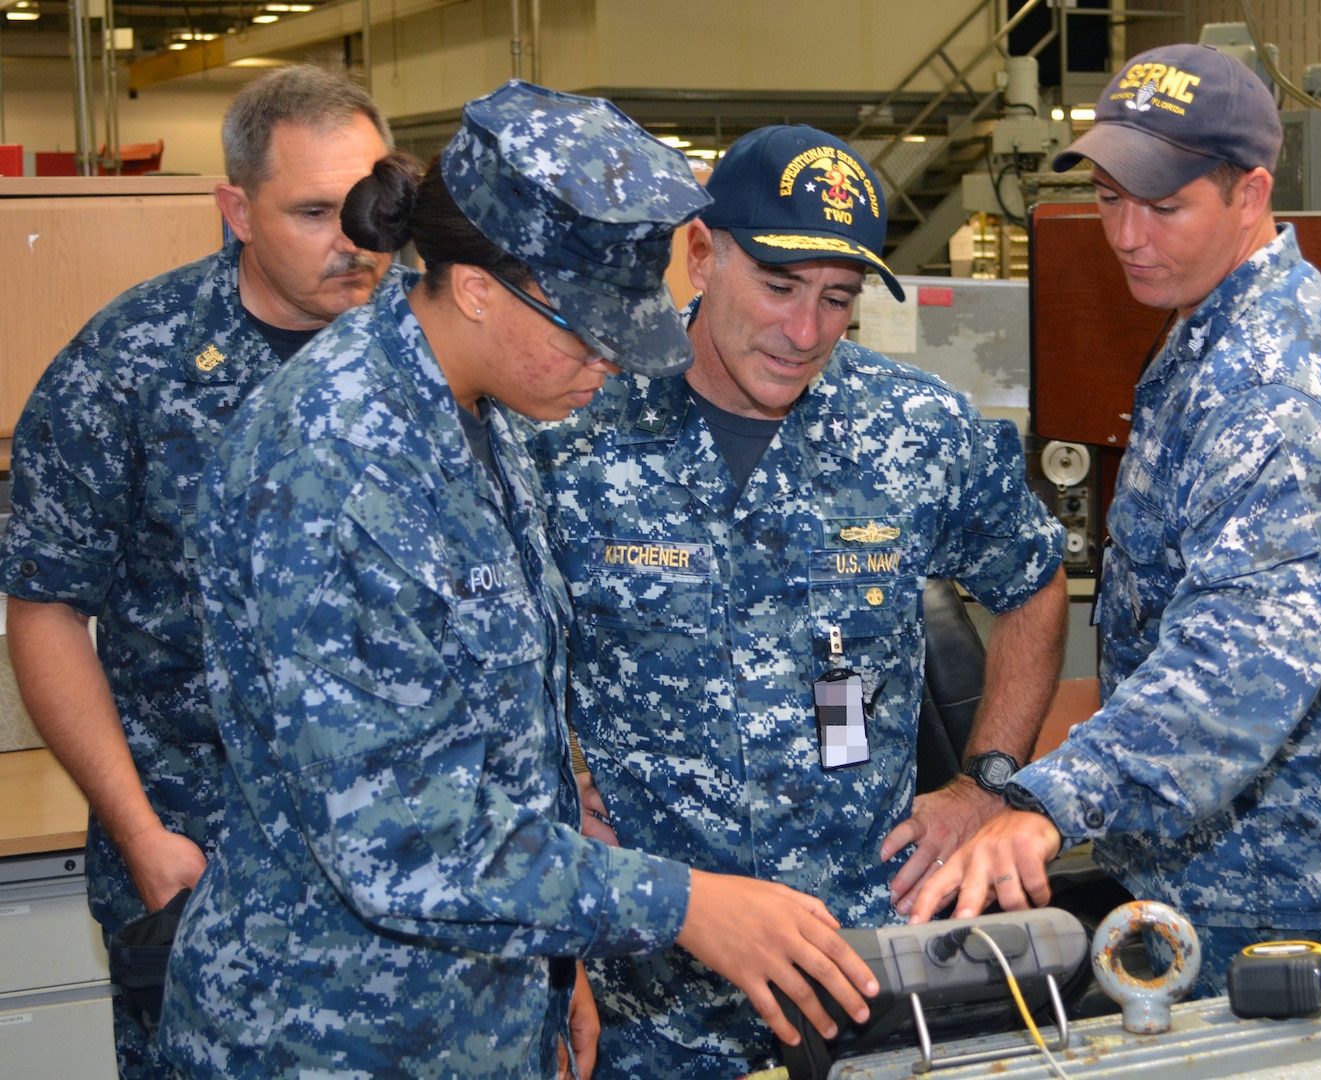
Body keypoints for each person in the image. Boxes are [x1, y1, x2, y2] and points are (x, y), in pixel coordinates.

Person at [157, 82, 879, 1080]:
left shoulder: (482, 413)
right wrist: (686, 904)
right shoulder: (340, 469)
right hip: (335, 1035)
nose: (611, 369)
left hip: (480, 1008)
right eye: (585, 334)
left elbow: (493, 728)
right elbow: (400, 840)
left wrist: (556, 958)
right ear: (477, 286)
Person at [533, 123, 1069, 1077]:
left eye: (838, 299)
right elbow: (498, 646)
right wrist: (543, 793)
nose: (806, 332)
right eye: (778, 287)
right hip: (644, 988)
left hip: (859, 975)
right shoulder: (575, 423)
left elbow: (1031, 582)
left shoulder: (914, 430)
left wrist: (985, 785)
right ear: (700, 254)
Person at [909, 43, 1321, 996]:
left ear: (1249, 193)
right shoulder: (1210, 326)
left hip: (1280, 891)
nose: (1127, 236)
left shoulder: (1273, 387)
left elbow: (1238, 661)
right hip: (1215, 872)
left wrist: (1049, 805)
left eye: (1164, 205)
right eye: (1110, 198)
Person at [0, 64, 393, 1076]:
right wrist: (139, 833)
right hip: (202, 863)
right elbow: (45, 610)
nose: (351, 241)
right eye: (311, 212)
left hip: (405, 871)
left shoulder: (434, 357)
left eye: (363, 205)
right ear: (235, 209)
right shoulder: (130, 365)